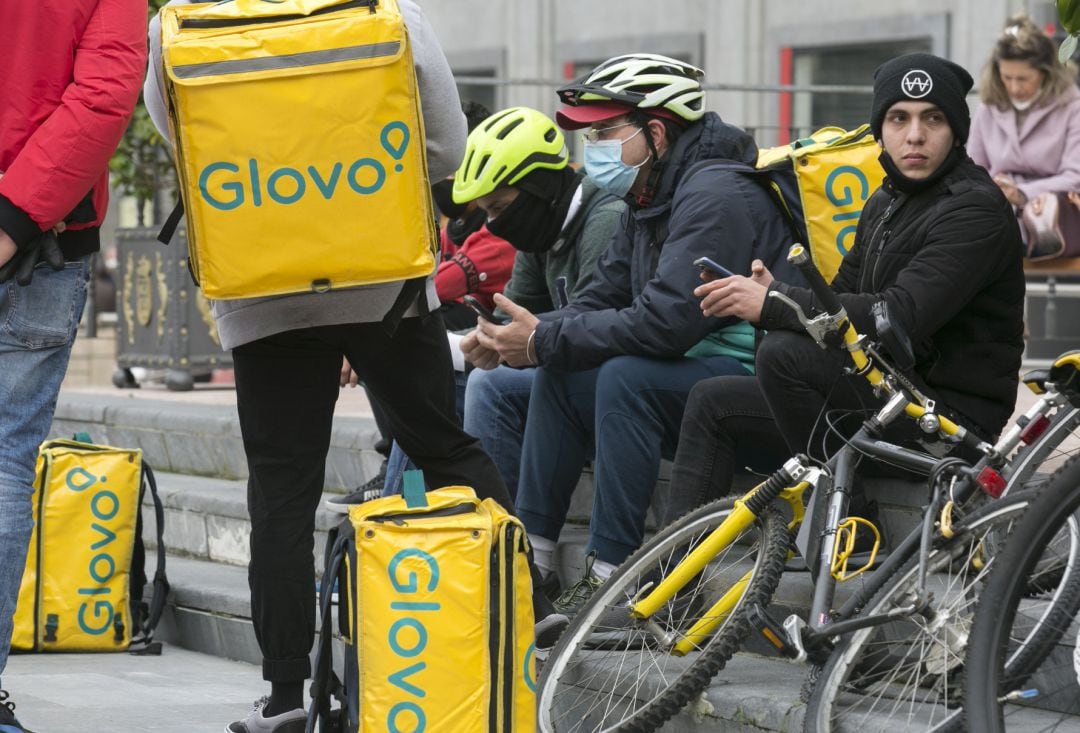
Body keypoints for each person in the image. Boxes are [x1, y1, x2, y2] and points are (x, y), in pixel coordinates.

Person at [145, 4, 565, 732]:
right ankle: (527, 601)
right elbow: (444, 147)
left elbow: (184, 143)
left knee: (280, 491)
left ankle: (283, 694)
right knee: (444, 444)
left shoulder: (179, 23)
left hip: (261, 286)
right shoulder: (389, 11)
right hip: (383, 281)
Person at [465, 54, 803, 610]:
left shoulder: (713, 194)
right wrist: (519, 336)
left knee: (625, 375)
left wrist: (541, 340)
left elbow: (666, 324)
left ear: (657, 132)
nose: (591, 144)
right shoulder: (648, 196)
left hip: (751, 379)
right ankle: (535, 561)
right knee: (563, 368)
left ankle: (611, 573)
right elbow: (601, 297)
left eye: (603, 130)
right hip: (694, 369)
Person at [691, 53, 1024, 508]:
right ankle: (669, 574)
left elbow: (896, 318)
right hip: (883, 395)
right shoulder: (885, 199)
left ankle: (851, 521)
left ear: (956, 131)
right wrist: (774, 294)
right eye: (898, 118)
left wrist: (775, 303)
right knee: (713, 400)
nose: (914, 135)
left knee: (785, 356)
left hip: (947, 426)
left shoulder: (974, 209)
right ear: (879, 129)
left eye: (933, 119)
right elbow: (840, 301)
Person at [0, 2, 146, 731]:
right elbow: (103, 94)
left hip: (39, 244)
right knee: (2, 466)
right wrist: (12, 218)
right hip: (45, 245)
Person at [454, 106, 625, 502]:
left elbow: (593, 324)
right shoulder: (540, 232)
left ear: (541, 189)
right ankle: (407, 517)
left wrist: (510, 340)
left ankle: (499, 538)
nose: (494, 223)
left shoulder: (606, 219)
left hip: (599, 379)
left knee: (490, 384)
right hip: (560, 365)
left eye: (498, 207)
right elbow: (502, 318)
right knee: (423, 378)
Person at [968, 14, 1080, 254]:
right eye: (1006, 77)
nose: (1014, 87)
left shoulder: (1072, 105)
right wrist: (997, 189)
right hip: (996, 217)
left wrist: (1022, 193)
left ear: (1046, 72)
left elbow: (1075, 176)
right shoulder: (988, 106)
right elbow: (973, 170)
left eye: (1023, 78)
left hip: (1057, 224)